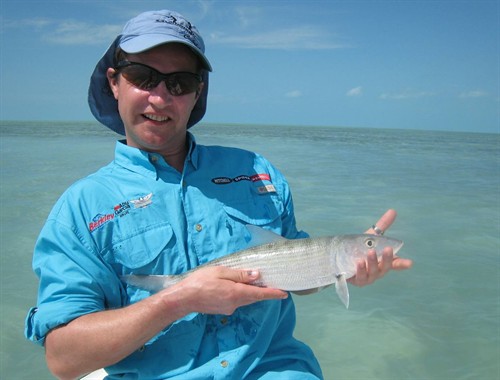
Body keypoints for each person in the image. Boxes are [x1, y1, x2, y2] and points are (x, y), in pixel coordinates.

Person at [25, 9, 412, 380]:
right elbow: (63, 360)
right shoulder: (81, 209)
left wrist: (343, 263)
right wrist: (176, 301)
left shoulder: (258, 173)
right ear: (114, 82)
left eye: (179, 83)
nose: (160, 98)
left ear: (198, 92)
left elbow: (294, 271)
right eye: (143, 77)